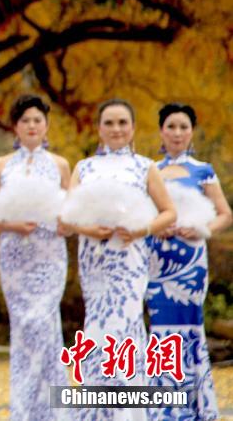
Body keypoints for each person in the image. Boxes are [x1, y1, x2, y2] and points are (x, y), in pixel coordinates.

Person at [59, 99, 176, 421]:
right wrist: (88, 228)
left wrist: (143, 229)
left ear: (133, 128)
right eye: (109, 123)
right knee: (96, 326)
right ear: (99, 128)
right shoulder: (84, 168)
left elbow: (170, 212)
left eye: (122, 122)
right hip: (95, 259)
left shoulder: (144, 166)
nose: (116, 129)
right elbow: (66, 217)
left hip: (130, 260)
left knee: (125, 325)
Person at [0, 95, 71, 420]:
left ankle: (54, 411)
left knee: (45, 324)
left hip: (50, 254)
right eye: (25, 121)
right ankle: (24, 409)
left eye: (37, 120)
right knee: (24, 327)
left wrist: (64, 223)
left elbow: (70, 212)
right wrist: (13, 224)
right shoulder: (1, 165)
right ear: (15, 127)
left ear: (46, 125)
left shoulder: (60, 164)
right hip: (15, 254)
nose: (32, 126)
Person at [146, 103, 231, 420]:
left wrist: (200, 228)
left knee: (188, 327)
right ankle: (162, 407)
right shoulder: (150, 170)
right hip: (158, 260)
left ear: (192, 131)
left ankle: (193, 407)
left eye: (183, 127)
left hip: (190, 263)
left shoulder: (203, 170)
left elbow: (225, 214)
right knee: (161, 329)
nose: (177, 133)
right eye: (171, 126)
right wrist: (158, 227)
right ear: (161, 131)